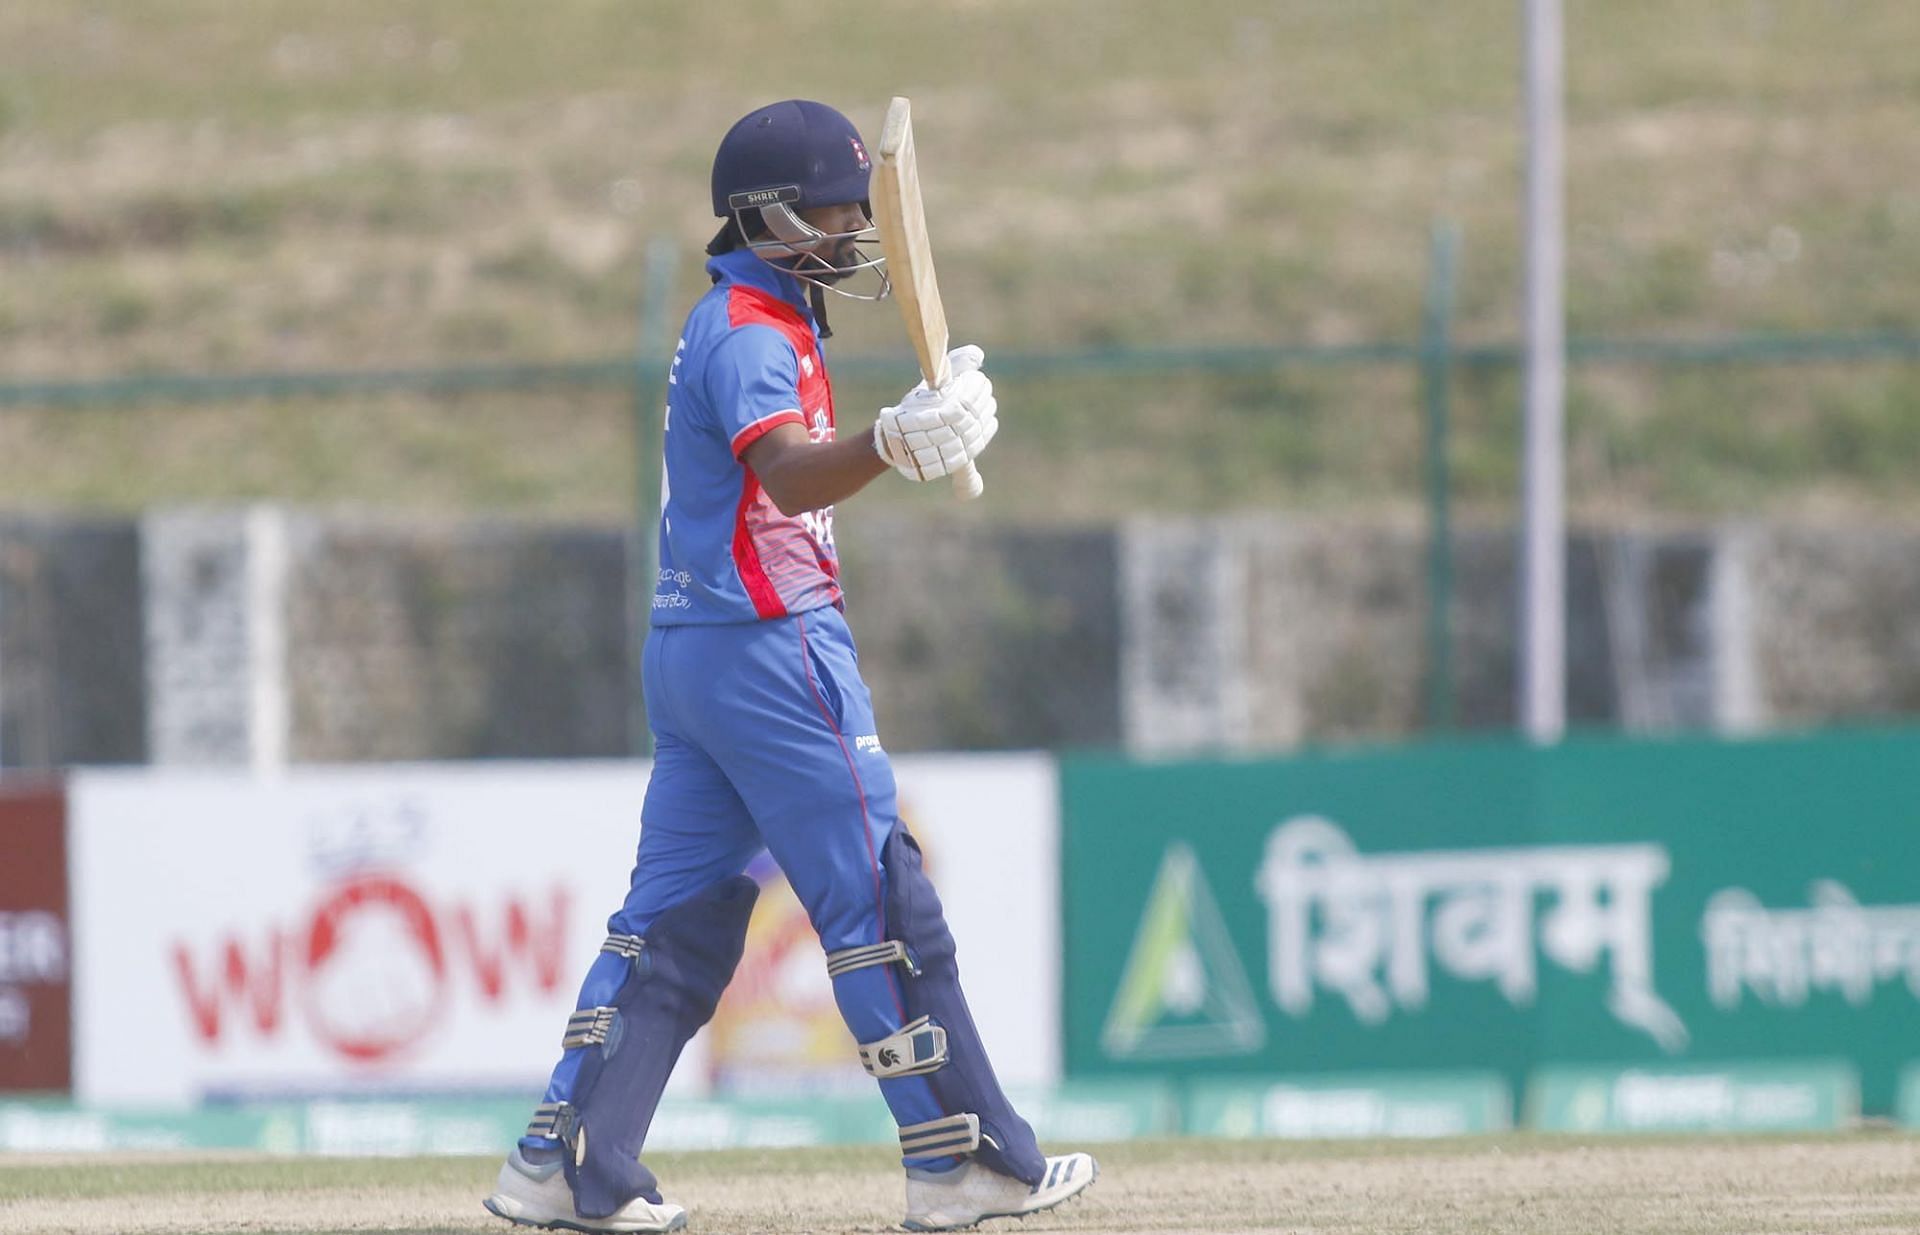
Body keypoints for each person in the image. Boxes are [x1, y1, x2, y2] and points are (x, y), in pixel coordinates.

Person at [483, 99, 1098, 1234]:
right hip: (775, 649)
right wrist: (895, 441)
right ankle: (960, 1159)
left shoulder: (746, 314)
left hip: (694, 655)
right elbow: (790, 477)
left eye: (861, 202)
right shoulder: (752, 336)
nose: (856, 225)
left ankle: (563, 1162)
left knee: (670, 924)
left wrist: (893, 431)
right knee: (881, 900)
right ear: (764, 215)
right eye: (831, 207)